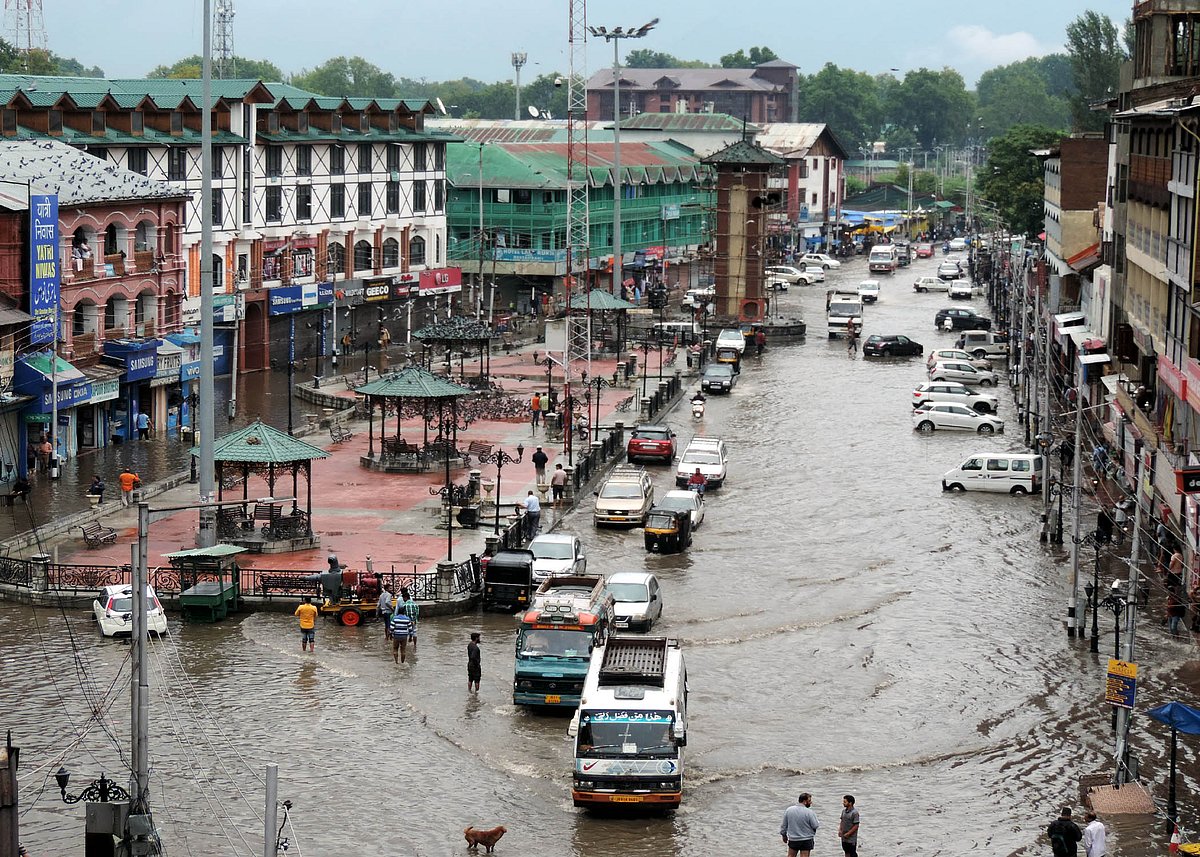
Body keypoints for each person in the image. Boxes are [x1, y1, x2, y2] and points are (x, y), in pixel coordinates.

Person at [779, 793, 819, 857]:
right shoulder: (809, 812)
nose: (811, 802)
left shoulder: (789, 810)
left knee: (791, 855)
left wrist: (784, 836)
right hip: (806, 839)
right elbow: (815, 825)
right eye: (809, 801)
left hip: (793, 839)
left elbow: (784, 825)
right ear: (805, 802)